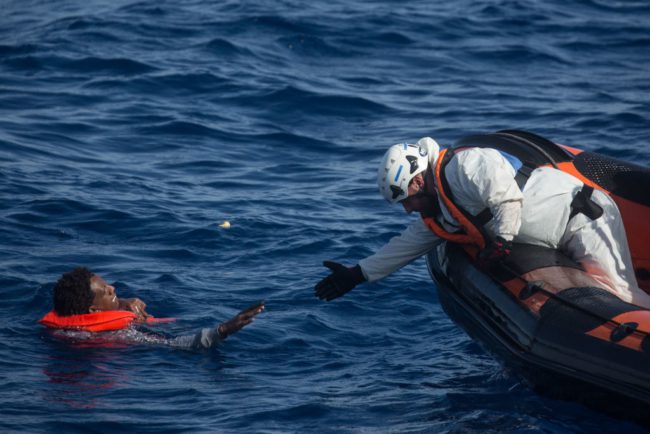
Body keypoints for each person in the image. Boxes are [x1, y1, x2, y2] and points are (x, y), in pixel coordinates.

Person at [315, 136, 650, 309]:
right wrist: (358, 274)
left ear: (417, 182)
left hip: (583, 219)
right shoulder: (442, 207)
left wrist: (501, 241)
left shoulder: (465, 167)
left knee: (619, 295)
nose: (408, 210)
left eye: (407, 201)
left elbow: (506, 198)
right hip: (557, 235)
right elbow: (409, 243)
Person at [40, 267, 265, 349]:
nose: (112, 287)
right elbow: (172, 344)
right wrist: (223, 330)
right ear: (93, 311)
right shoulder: (118, 334)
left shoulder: (69, 323)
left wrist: (121, 304)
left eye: (107, 283)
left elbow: (106, 306)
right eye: (106, 291)